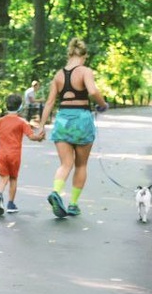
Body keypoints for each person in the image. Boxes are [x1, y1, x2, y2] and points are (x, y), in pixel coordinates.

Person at [38, 37, 108, 218]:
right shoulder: (85, 71)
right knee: (81, 164)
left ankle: (55, 192)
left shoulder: (58, 75)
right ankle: (73, 204)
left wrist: (41, 126)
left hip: (62, 120)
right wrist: (103, 104)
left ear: (69, 55)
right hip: (81, 119)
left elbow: (49, 103)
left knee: (65, 163)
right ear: (83, 56)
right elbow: (93, 91)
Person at [0, 92, 45, 215]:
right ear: (20, 106)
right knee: (13, 178)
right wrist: (39, 137)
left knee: (3, 177)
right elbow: (31, 136)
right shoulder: (22, 122)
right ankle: (11, 204)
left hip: (2, 154)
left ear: (6, 106)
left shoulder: (1, 120)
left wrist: (1, 135)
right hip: (14, 155)